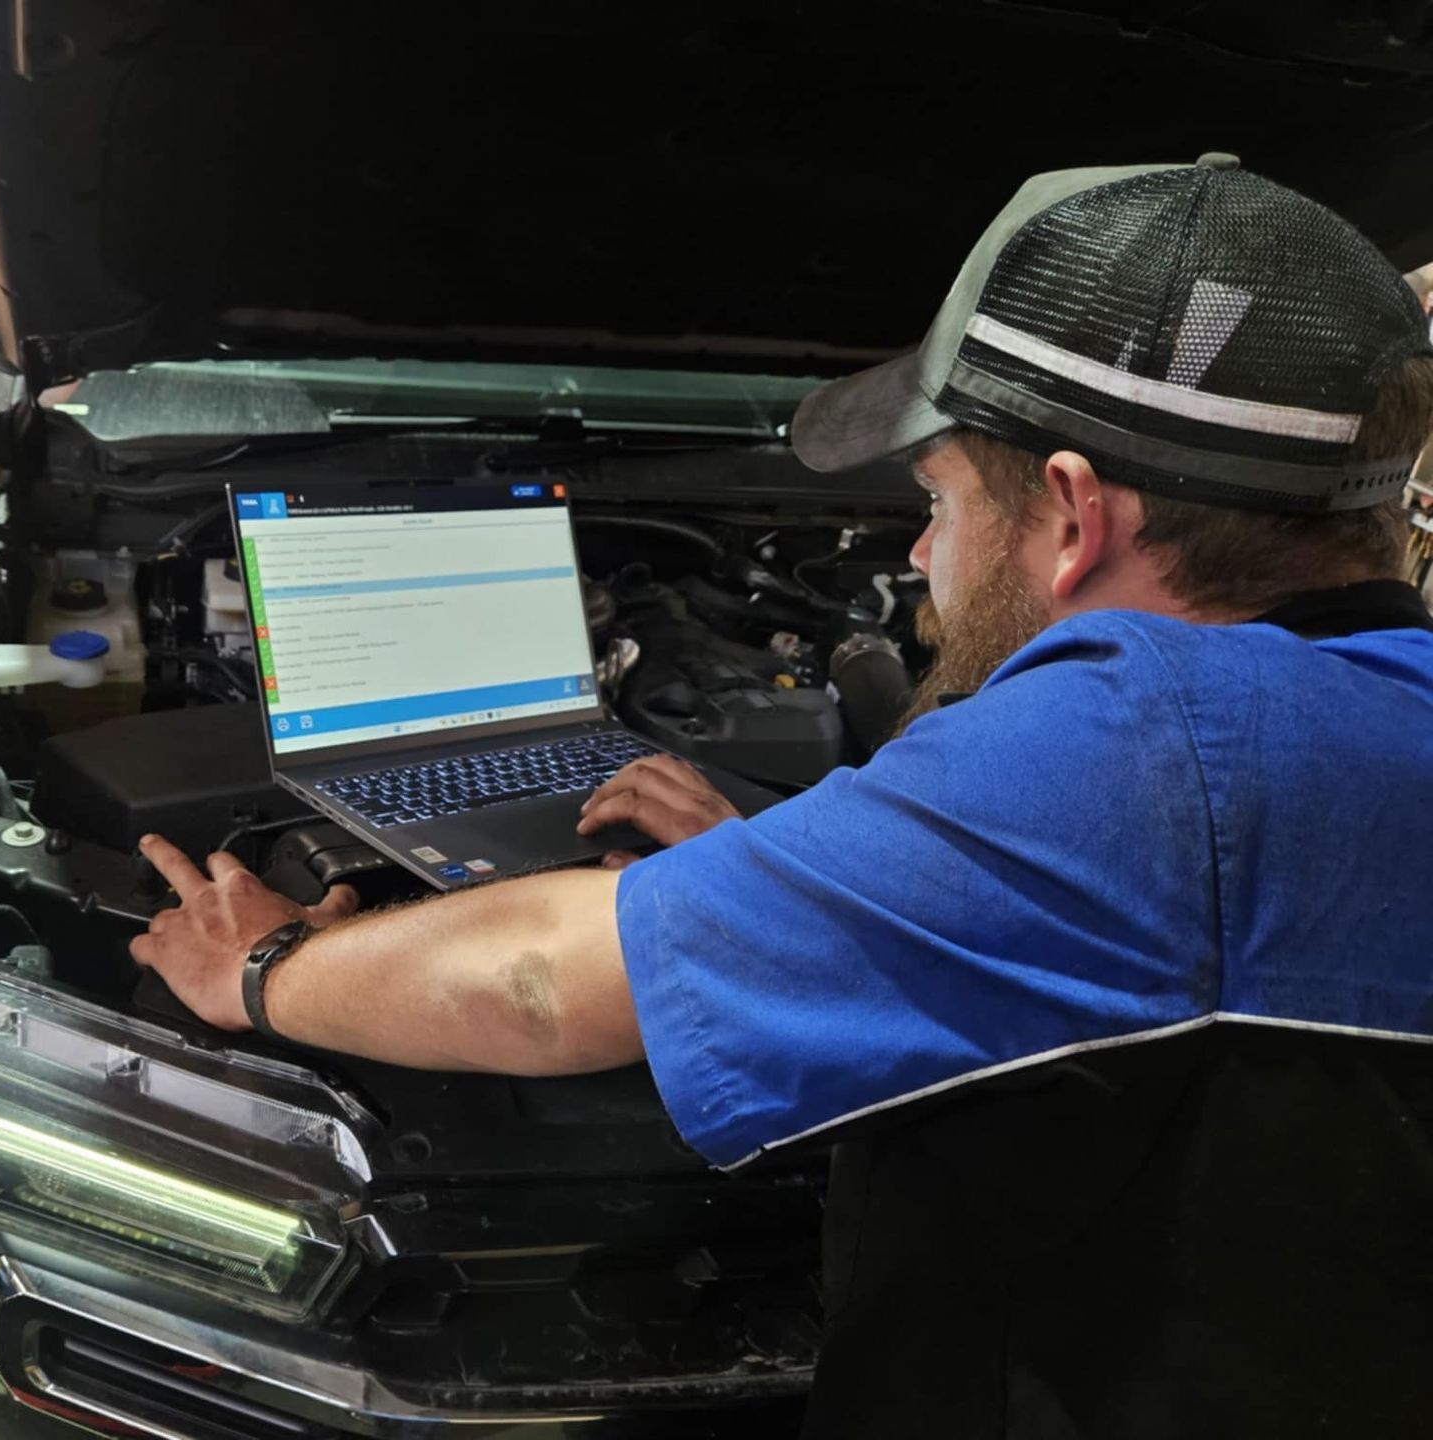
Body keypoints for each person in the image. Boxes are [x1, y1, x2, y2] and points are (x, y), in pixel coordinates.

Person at [132, 157, 1433, 1437]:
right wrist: (792, 866)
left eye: (935, 505)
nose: (921, 559)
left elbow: (535, 979)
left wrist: (264, 965)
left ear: (1075, 514)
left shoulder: (1129, 743)